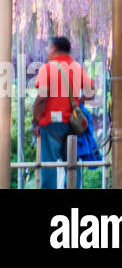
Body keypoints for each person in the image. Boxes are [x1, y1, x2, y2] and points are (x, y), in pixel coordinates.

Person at [31, 36, 93, 190]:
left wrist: (35, 121)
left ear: (53, 49)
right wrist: (79, 101)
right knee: (72, 163)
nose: (46, 51)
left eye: (48, 48)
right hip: (73, 123)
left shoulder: (48, 68)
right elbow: (91, 91)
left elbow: (42, 98)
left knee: (49, 165)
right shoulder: (77, 67)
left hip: (51, 124)